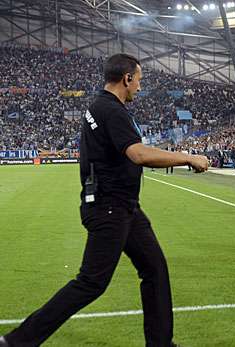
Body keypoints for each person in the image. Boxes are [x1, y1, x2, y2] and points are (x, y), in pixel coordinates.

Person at [0, 53, 208, 347]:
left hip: (123, 207)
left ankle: (161, 343)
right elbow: (138, 154)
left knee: (154, 268)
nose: (139, 86)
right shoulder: (111, 110)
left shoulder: (99, 106)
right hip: (110, 208)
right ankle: (16, 341)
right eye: (139, 80)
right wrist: (188, 157)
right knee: (91, 282)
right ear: (127, 78)